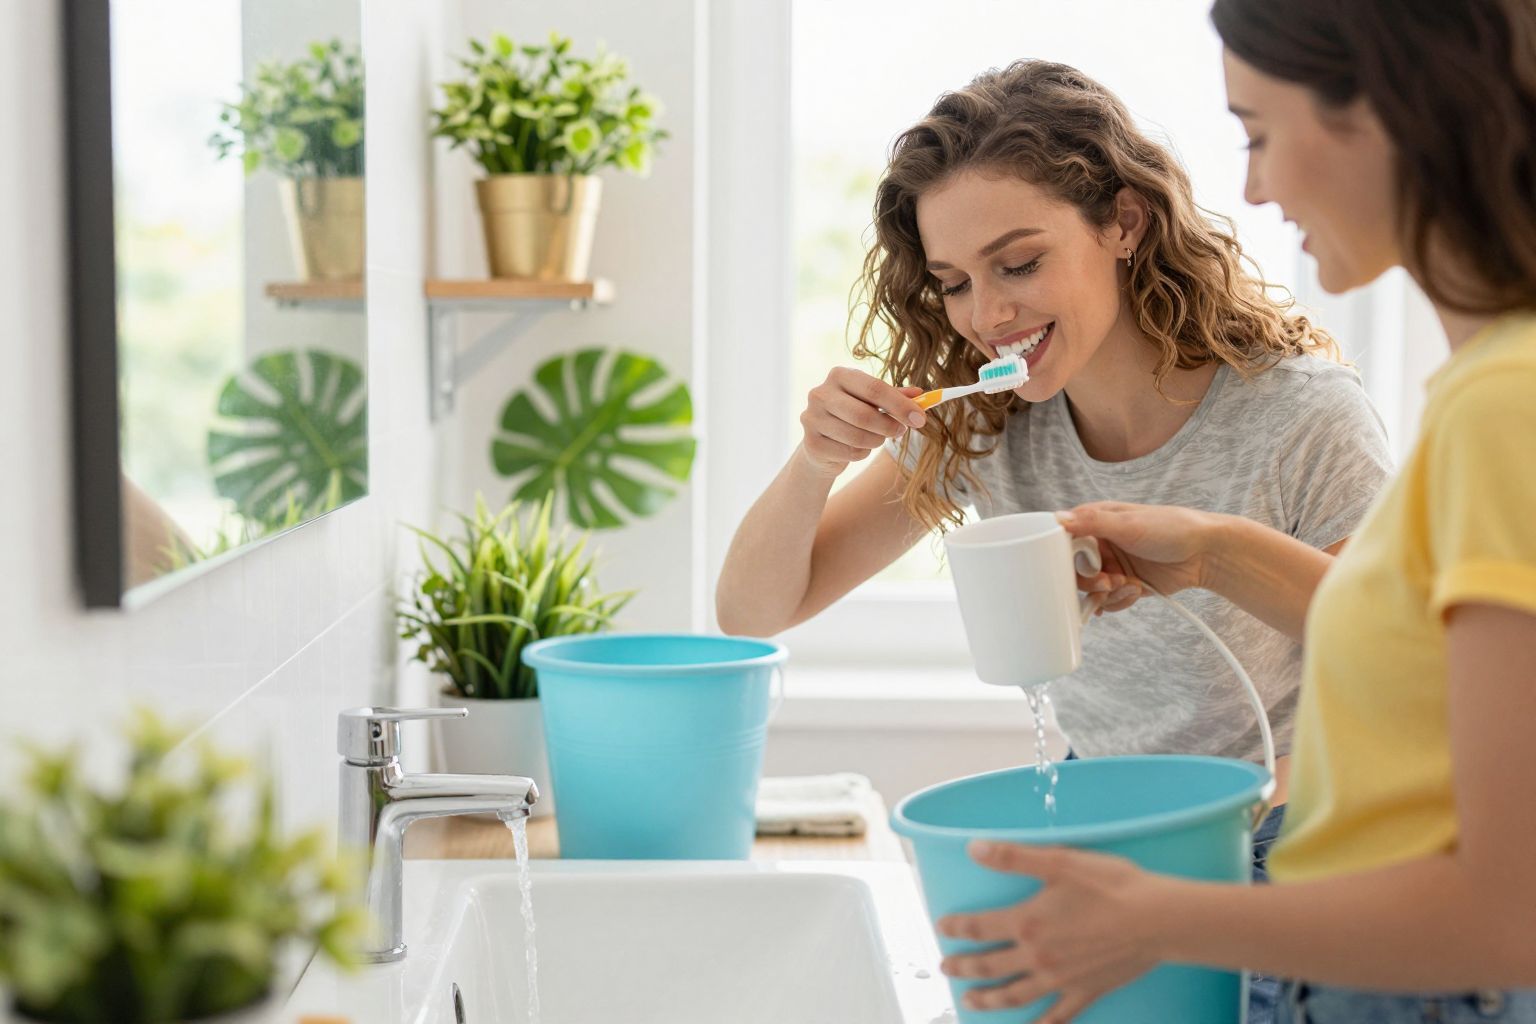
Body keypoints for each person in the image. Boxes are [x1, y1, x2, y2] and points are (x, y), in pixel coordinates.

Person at [716, 57, 1391, 1024]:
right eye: (953, 281)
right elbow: (753, 611)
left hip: (1290, 834)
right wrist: (816, 461)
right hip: (1098, 825)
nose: (988, 315)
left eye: (1019, 264)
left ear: (1124, 222)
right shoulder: (988, 428)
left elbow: (1399, 654)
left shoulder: (1300, 416)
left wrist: (1217, 555)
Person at [934, 4, 1536, 1022]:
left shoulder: (1497, 406)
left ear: (1388, 112)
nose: (1253, 185)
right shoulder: (1483, 390)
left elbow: (1508, 909)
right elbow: (1435, 678)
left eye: (1258, 133)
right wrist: (1211, 552)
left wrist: (1156, 916)